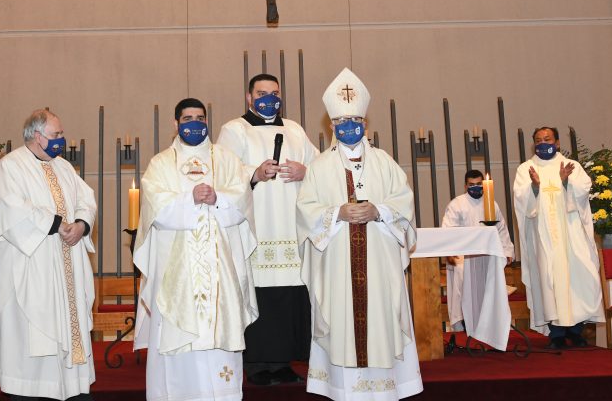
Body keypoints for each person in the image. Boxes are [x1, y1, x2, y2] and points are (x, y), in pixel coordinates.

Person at [297, 68, 422, 400]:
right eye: (342, 122)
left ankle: (383, 391)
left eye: (355, 121)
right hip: (337, 264)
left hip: (379, 263)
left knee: (380, 317)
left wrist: (378, 210)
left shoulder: (385, 163)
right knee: (340, 322)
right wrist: (337, 212)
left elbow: (404, 202)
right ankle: (343, 390)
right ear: (332, 126)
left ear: (366, 125)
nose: (348, 127)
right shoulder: (320, 167)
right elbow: (305, 209)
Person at [134, 98, 258, 401]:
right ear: (176, 124)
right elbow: (154, 206)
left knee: (219, 339)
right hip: (176, 274)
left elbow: (242, 199)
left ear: (207, 122)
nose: (194, 123)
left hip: (220, 274)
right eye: (187, 118)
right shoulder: (161, 163)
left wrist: (217, 198)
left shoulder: (226, 159)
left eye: (200, 118)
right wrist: (189, 198)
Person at [0, 108, 98, 400]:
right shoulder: (9, 167)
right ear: (37, 136)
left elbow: (86, 199)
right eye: (56, 135)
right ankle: (31, 390)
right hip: (31, 267)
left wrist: (82, 226)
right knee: (35, 330)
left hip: (66, 263)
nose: (62, 140)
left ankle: (70, 389)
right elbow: (10, 210)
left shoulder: (64, 168)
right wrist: (58, 224)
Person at [217, 73, 318, 385]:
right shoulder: (235, 130)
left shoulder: (296, 130)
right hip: (258, 227)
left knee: (290, 294)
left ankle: (283, 362)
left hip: (290, 226)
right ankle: (257, 363)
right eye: (261, 93)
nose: (268, 99)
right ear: (249, 98)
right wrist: (255, 173)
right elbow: (223, 171)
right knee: (259, 293)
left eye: (274, 93)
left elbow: (320, 167)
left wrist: (307, 171)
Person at [512, 126, 601, 349]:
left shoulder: (573, 167)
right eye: (539, 140)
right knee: (548, 279)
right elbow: (522, 200)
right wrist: (533, 186)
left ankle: (577, 331)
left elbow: (583, 191)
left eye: (548, 139)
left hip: (570, 233)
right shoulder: (526, 168)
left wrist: (565, 182)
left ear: (558, 142)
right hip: (543, 237)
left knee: (576, 277)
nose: (544, 143)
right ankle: (557, 333)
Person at [441, 170, 513, 343]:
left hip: (487, 256)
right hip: (463, 258)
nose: (475, 188)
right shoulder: (457, 204)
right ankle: (467, 324)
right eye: (471, 185)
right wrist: (451, 252)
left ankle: (489, 326)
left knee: (488, 287)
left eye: (479, 184)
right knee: (463, 285)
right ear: (465, 186)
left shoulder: (492, 204)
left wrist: (507, 251)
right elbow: (448, 230)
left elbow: (501, 229)